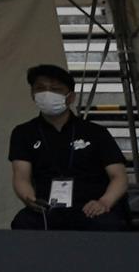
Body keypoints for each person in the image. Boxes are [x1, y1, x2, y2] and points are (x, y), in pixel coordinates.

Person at [9, 64, 129, 231]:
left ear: (70, 97)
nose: (47, 94)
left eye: (55, 89)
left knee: (109, 224)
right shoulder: (23, 133)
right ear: (32, 94)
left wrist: (104, 202)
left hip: (90, 207)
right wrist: (31, 200)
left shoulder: (96, 132)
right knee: (23, 223)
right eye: (40, 88)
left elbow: (119, 176)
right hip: (48, 208)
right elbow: (21, 176)